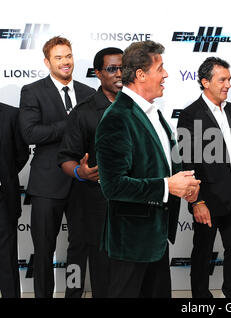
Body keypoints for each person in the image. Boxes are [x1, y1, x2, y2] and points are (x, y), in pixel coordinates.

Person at [95, 40, 200, 298]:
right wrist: (167, 186)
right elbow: (113, 185)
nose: (165, 74)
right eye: (160, 68)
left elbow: (164, 163)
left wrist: (184, 185)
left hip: (156, 236)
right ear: (141, 75)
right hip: (130, 240)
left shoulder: (154, 113)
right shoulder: (117, 117)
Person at [18, 36, 95, 298]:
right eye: (59, 57)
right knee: (43, 250)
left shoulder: (88, 93)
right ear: (47, 62)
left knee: (79, 247)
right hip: (47, 184)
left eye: (68, 56)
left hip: (82, 182)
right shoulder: (32, 91)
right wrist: (71, 123)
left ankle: (73, 295)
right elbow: (30, 133)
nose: (65, 62)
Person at [177, 57, 231, 298]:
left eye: (229, 79)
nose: (228, 84)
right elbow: (186, 162)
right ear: (205, 82)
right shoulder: (190, 115)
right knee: (202, 251)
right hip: (206, 196)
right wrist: (196, 201)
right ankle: (200, 298)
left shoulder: (229, 109)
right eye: (223, 80)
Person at [57, 47, 123, 297]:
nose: (118, 74)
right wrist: (80, 173)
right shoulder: (83, 112)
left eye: (122, 68)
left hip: (130, 204)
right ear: (98, 73)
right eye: (111, 69)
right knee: (94, 263)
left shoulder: (139, 108)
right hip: (92, 204)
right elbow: (65, 157)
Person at [0, 103, 29, 298]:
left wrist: (5, 177)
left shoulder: (11, 114)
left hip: (2, 199)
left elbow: (22, 153)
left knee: (7, 259)